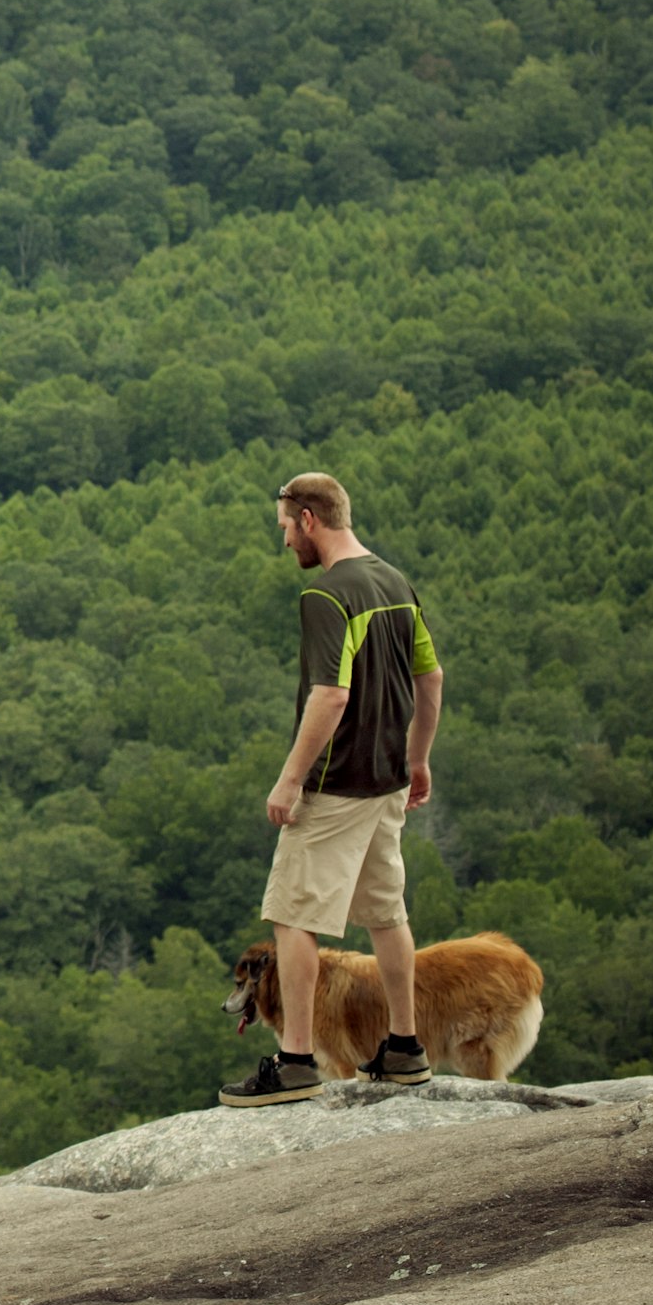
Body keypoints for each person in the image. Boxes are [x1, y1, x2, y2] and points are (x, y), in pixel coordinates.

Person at [218, 471, 443, 1105]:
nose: (286, 542)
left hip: (336, 783)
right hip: (387, 781)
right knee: (386, 912)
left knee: (293, 915)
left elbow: (331, 694)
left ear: (310, 519)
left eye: (287, 528)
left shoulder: (327, 595)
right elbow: (431, 679)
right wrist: (418, 759)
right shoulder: (395, 583)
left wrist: (290, 780)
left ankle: (293, 1061)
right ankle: (405, 1048)